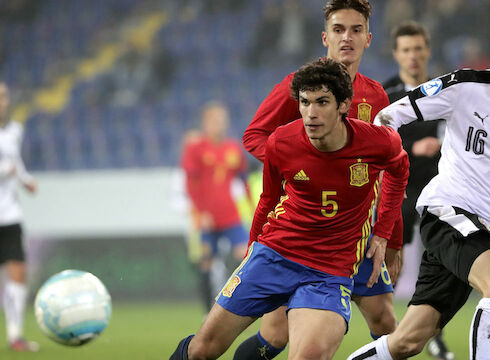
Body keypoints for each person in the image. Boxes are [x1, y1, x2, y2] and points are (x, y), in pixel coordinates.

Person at [348, 10, 490, 360]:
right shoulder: (467, 85)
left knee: (406, 342)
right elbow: (389, 116)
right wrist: (390, 165)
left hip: (484, 224)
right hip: (447, 209)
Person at [169, 57, 409, 360]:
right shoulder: (281, 141)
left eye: (322, 102)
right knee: (202, 350)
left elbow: (400, 170)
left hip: (329, 271)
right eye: (305, 102)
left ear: (344, 105)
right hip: (274, 255)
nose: (311, 113)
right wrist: (251, 254)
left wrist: (384, 233)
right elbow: (268, 202)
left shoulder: (378, 142)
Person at [238, 1, 403, 359]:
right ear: (325, 37)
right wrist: (303, 166)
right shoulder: (300, 87)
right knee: (276, 335)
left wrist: (391, 236)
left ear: (368, 39)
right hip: (305, 232)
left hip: (355, 232)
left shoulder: (375, 95)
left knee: (387, 321)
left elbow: (388, 167)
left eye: (356, 30)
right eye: (339, 30)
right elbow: (254, 136)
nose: (347, 38)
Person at [382, 21, 453, 360]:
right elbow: (378, 141)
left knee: (438, 262)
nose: (412, 56)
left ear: (427, 50)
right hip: (401, 187)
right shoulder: (386, 95)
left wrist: (442, 146)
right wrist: (412, 147)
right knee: (392, 261)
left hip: (439, 186)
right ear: (397, 54)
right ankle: (387, 332)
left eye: (417, 49)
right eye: (405, 50)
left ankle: (434, 336)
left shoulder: (444, 89)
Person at [181, 101, 251, 313]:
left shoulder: (232, 147)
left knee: (245, 258)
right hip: (207, 218)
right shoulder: (196, 148)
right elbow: (190, 184)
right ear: (205, 122)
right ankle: (207, 312)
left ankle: (239, 308)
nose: (219, 124)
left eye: (222, 120)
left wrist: (253, 205)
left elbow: (243, 179)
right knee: (206, 263)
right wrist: (201, 211)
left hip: (230, 215)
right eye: (214, 120)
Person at [0, 81, 39, 352]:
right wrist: (7, 171)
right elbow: (7, 167)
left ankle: (15, 336)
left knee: (18, 273)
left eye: (4, 95)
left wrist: (25, 180)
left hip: (9, 214)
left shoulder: (14, 130)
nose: (3, 100)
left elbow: (16, 163)